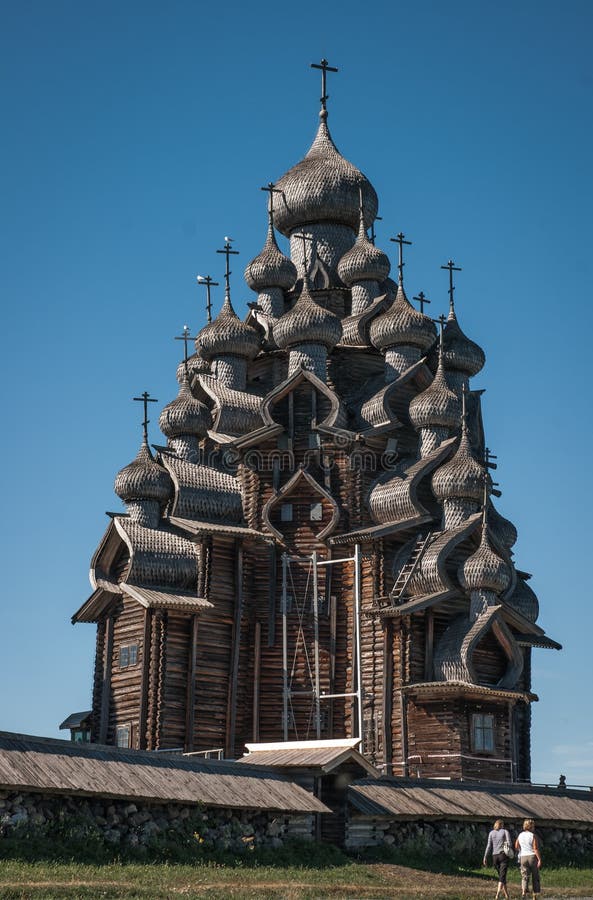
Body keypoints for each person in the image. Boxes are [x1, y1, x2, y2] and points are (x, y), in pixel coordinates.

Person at [483, 818, 513, 900]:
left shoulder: (491, 833)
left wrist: (485, 857)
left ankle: (507, 895)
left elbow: (488, 846)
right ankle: (497, 895)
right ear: (502, 825)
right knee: (502, 877)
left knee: (502, 876)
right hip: (503, 855)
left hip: (494, 857)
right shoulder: (505, 831)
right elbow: (509, 843)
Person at [515, 818, 542, 899]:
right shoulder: (533, 835)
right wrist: (539, 859)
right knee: (535, 876)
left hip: (523, 857)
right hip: (532, 857)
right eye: (533, 825)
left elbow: (516, 846)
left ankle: (524, 892)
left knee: (525, 876)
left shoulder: (520, 835)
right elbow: (535, 848)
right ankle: (535, 895)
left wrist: (522, 849)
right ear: (531, 826)